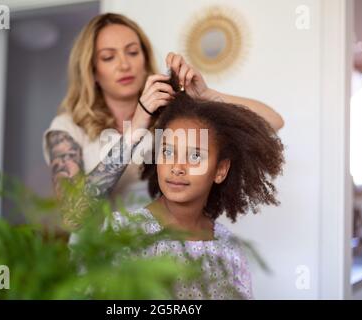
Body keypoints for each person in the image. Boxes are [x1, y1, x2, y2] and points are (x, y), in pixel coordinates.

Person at [43, 13, 284, 229]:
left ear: (145, 59)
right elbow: (71, 215)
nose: (124, 64)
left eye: (132, 52)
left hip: (164, 256)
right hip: (99, 262)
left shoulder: (172, 116)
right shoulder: (68, 128)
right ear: (92, 70)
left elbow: (271, 123)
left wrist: (206, 96)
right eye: (108, 57)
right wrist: (137, 125)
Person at [110, 71, 285, 299]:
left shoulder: (228, 249)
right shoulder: (125, 233)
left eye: (194, 156)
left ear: (220, 170)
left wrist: (207, 94)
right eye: (168, 152)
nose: (177, 167)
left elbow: (271, 121)